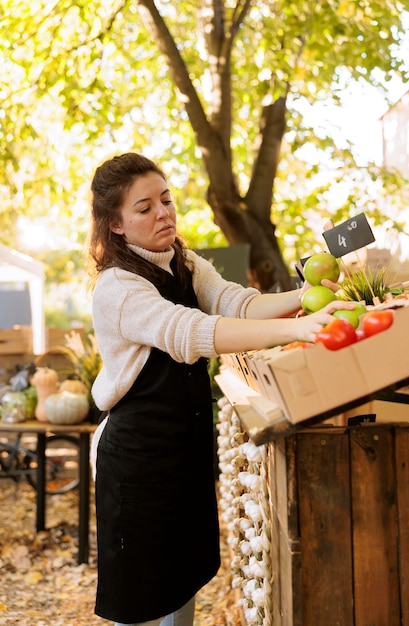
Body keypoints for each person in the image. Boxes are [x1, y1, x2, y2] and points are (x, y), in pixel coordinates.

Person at [88, 152, 354, 626]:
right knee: (143, 598)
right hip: (137, 459)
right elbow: (195, 332)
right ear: (116, 225)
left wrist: (309, 298)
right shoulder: (117, 288)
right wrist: (299, 330)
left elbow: (236, 303)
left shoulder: (185, 262)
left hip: (183, 450)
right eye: (144, 208)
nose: (163, 213)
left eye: (166, 200)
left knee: (182, 581)